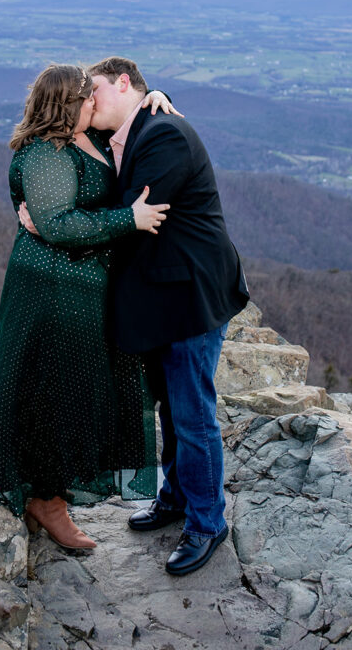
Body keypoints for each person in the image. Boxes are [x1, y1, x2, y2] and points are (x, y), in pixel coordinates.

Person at [0, 63, 173, 552]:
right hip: (50, 292)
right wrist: (128, 219)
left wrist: (155, 98)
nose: (96, 102)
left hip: (83, 290)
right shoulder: (47, 151)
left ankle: (54, 491)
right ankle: (45, 500)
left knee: (75, 391)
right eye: (88, 97)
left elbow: (61, 216)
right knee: (51, 392)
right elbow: (61, 224)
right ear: (68, 104)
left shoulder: (86, 139)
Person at [86, 56, 250, 576]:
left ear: (125, 83)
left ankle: (207, 523)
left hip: (189, 297)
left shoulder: (163, 135)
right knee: (169, 410)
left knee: (193, 414)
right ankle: (175, 497)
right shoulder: (133, 131)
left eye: (95, 93)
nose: (90, 104)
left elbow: (130, 212)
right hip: (161, 298)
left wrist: (57, 224)